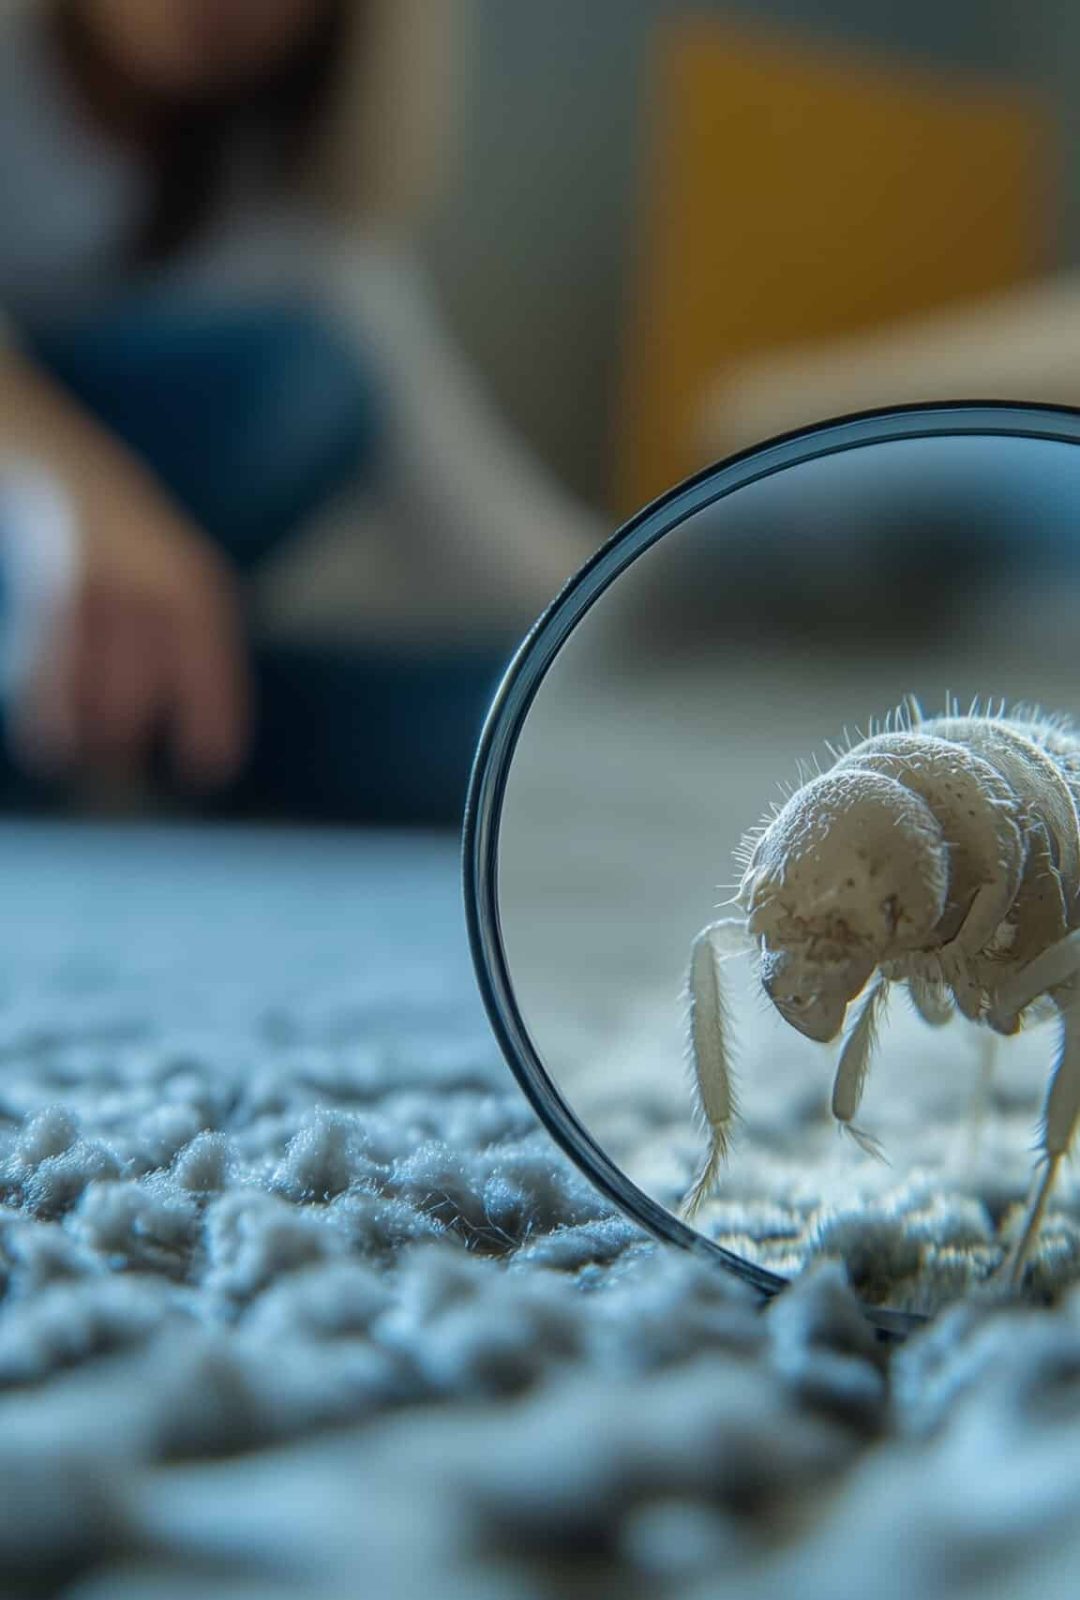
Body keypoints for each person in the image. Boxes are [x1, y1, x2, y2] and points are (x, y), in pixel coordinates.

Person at [0, 0, 600, 821]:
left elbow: (473, 515)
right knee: (290, 384)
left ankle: (116, 733)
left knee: (520, 718)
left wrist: (638, 610)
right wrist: (83, 487)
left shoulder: (293, 205)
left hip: (147, 663)